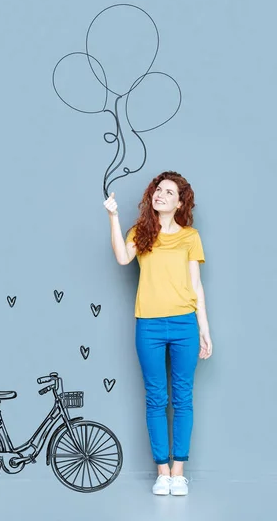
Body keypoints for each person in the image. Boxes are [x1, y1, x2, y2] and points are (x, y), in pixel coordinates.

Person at [104, 170, 212, 496]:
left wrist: (204, 330)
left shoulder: (190, 237)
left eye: (168, 192)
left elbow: (196, 286)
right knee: (155, 398)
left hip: (184, 324)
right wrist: (113, 216)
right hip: (148, 324)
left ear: (180, 203)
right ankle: (162, 473)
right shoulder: (141, 233)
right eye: (157, 189)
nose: (160, 195)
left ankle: (179, 472)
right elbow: (123, 259)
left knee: (182, 399)